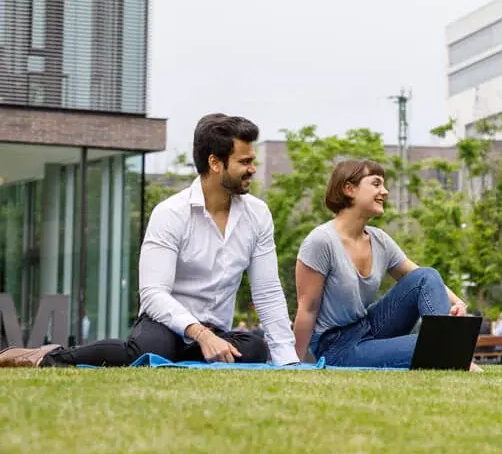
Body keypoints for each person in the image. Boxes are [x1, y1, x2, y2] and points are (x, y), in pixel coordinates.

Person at [0, 113, 299, 368]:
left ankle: (199, 354)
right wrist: (200, 333)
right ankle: (49, 356)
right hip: (165, 325)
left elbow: (268, 291)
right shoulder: (170, 214)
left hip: (216, 328)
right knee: (150, 352)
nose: (253, 169)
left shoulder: (257, 215)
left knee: (256, 349)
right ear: (215, 163)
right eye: (245, 161)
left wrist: (288, 359)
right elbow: (153, 294)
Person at [293, 159, 476, 369]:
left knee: (426, 275)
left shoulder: (379, 239)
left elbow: (423, 281)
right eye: (376, 183)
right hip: (336, 346)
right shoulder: (321, 241)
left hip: (369, 326)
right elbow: (307, 308)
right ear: (349, 189)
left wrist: (458, 303)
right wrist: (293, 362)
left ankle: (448, 349)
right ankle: (451, 352)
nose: (385, 191)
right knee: (431, 346)